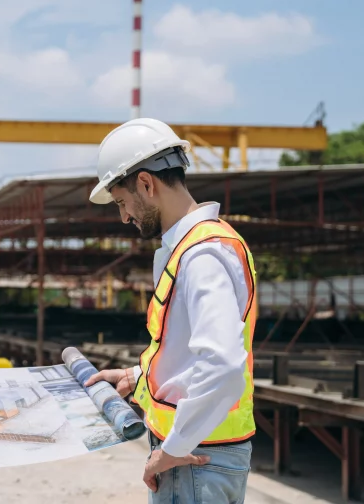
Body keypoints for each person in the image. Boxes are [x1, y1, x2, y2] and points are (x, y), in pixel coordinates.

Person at [83, 118, 257, 502]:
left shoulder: (202, 255)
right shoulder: (193, 249)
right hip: (199, 455)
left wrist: (172, 449)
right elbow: (186, 350)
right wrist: (136, 375)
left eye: (122, 202)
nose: (124, 216)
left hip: (195, 460)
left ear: (146, 183)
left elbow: (223, 366)